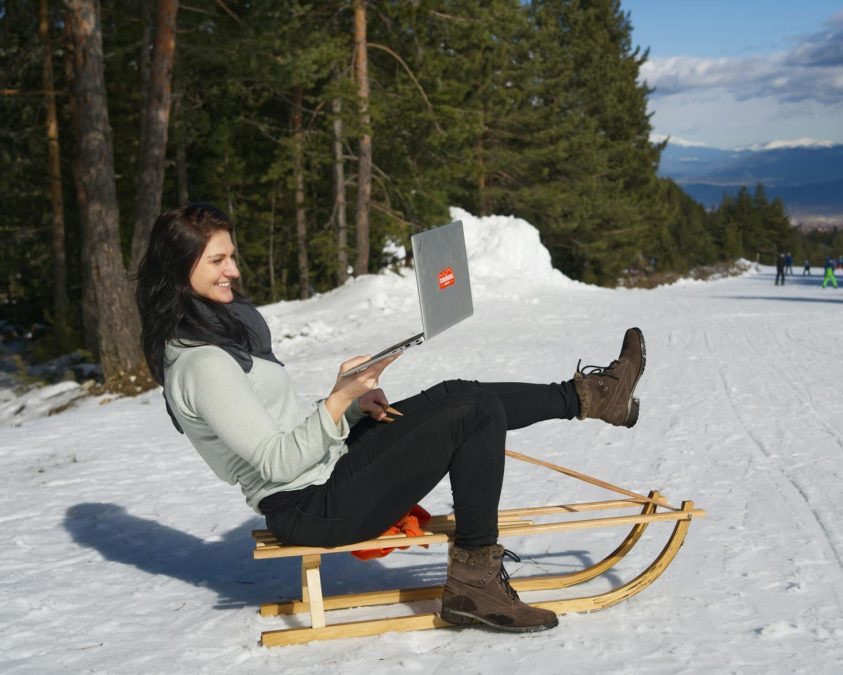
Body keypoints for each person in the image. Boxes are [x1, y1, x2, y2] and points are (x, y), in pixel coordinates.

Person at [135, 204, 648, 634]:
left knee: (459, 395)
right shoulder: (201, 362)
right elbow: (274, 460)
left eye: (232, 256)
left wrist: (351, 406)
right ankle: (473, 584)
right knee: (472, 412)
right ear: (181, 269)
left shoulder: (217, 333)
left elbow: (283, 428)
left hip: (327, 470)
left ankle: (596, 397)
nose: (234, 270)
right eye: (218, 260)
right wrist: (338, 402)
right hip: (312, 506)